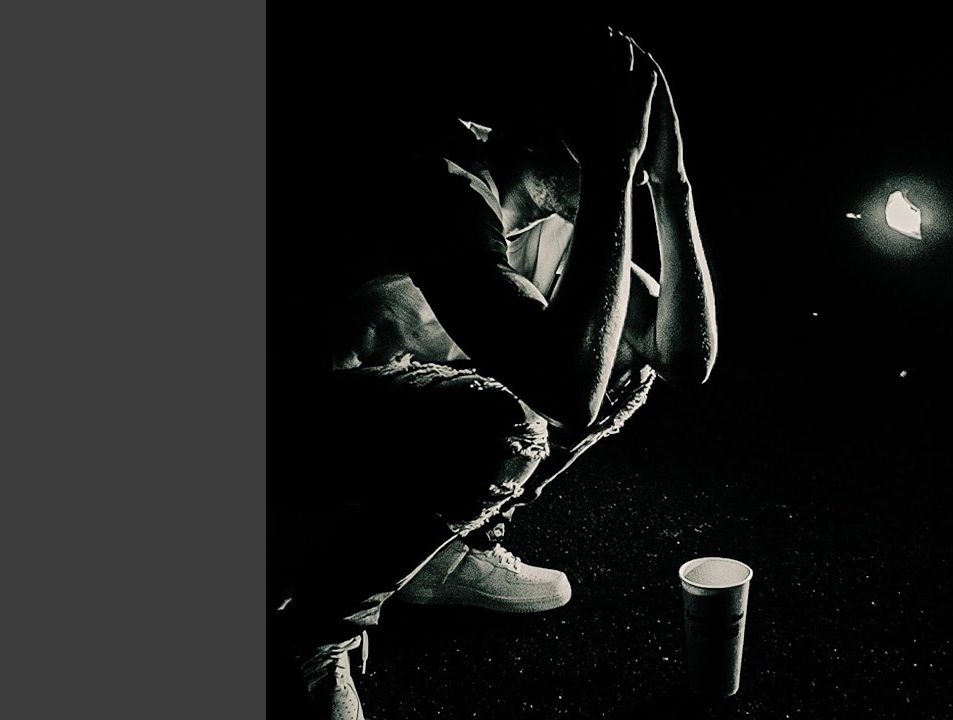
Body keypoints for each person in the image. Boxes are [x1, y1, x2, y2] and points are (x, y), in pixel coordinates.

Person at [271, 30, 717, 719]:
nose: (625, 167)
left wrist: (671, 184)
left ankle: (447, 551)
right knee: (505, 425)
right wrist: (610, 170)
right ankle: (313, 627)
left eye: (631, 147)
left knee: (625, 353)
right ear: (535, 133)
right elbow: (568, 391)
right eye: (607, 144)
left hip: (399, 406)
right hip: (292, 420)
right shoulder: (441, 179)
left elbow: (683, 355)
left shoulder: (559, 206)